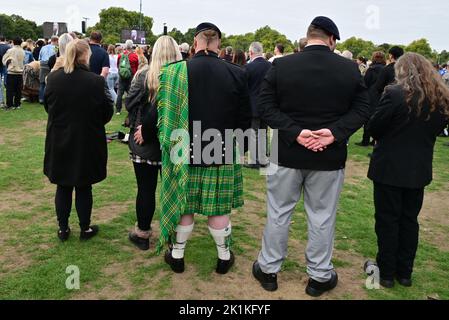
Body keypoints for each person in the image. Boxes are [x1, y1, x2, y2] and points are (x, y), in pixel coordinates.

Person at [253, 16, 370, 297]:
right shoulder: (348, 68)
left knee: (279, 213)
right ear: (331, 39)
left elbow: (264, 107)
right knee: (322, 217)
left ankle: (270, 269)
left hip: (290, 153)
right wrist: (320, 132)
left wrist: (325, 132)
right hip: (324, 157)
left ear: (309, 36)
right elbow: (364, 108)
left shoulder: (282, 65)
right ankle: (318, 275)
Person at [157, 22, 251, 275]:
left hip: (181, 149)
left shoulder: (173, 72)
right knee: (218, 209)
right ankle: (223, 257)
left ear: (195, 42)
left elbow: (163, 113)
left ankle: (177, 256)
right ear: (218, 43)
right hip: (219, 150)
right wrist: (241, 147)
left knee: (184, 206)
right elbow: (245, 118)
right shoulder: (237, 73)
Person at [364, 53, 449, 288]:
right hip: (417, 168)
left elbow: (374, 126)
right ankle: (403, 272)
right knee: (409, 219)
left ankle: (389, 271)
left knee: (388, 220)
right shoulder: (440, 98)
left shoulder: (395, 94)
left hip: (390, 167)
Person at [44, 39, 114, 242]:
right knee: (83, 186)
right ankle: (84, 228)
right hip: (86, 140)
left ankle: (63, 228)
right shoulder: (95, 81)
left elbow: (49, 107)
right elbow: (106, 112)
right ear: (85, 55)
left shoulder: (54, 79)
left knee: (63, 185)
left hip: (61, 139)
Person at [125, 36, 182, 250]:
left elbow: (129, 102)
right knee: (171, 191)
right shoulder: (182, 78)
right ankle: (173, 235)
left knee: (146, 189)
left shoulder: (144, 76)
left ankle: (143, 232)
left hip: (146, 141)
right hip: (173, 140)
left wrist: (141, 120)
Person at [244, 42, 271, 169]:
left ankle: (254, 160)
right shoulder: (270, 66)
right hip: (266, 105)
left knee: (253, 133)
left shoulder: (248, 67)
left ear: (250, 53)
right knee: (263, 133)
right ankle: (263, 159)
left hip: (253, 104)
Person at [356, 51, 386, 147]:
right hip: (382, 96)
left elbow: (365, 83)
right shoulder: (386, 69)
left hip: (371, 96)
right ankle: (374, 140)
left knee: (368, 119)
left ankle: (365, 140)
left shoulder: (372, 69)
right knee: (379, 118)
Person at [116, 40, 139, 115]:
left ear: (125, 46)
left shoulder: (120, 55)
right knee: (131, 92)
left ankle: (118, 110)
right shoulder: (135, 56)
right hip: (131, 76)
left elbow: (118, 66)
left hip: (122, 76)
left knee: (120, 93)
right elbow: (137, 67)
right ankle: (130, 108)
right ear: (132, 46)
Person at [2, 37, 25, 110]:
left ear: (13, 42)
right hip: (20, 72)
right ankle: (17, 104)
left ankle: (9, 104)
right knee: (18, 90)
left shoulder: (10, 50)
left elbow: (4, 60)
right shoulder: (22, 51)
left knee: (10, 90)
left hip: (12, 72)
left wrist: (8, 62)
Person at [38, 36, 58, 104]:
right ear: (56, 41)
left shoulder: (43, 47)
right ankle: (47, 98)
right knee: (50, 82)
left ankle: (41, 99)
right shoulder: (56, 48)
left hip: (42, 64)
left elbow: (39, 57)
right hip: (51, 64)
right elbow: (56, 57)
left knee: (42, 82)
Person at [0, 36, 11, 108]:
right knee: (6, 82)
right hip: (5, 65)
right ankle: (9, 98)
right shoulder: (8, 47)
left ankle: (1, 100)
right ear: (5, 40)